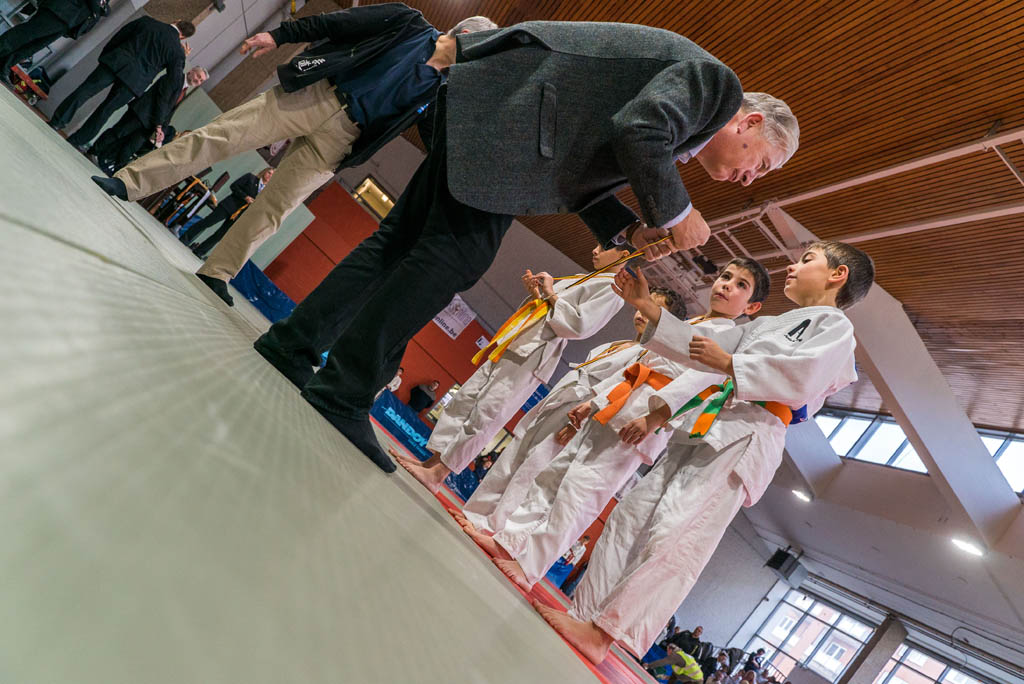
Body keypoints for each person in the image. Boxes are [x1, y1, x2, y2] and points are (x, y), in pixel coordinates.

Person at [240, 20, 798, 476]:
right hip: (510, 131)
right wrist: (676, 213)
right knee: (453, 257)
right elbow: (639, 128)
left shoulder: (684, 116)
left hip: (499, 119)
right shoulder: (715, 87)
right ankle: (344, 388)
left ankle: (293, 344)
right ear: (748, 122)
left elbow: (587, 166)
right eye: (762, 164)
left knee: (398, 242)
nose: (750, 179)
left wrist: (630, 232)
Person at [534, 241, 873, 664]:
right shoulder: (769, 323)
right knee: (630, 517)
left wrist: (730, 365)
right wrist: (648, 307)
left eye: (807, 260)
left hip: (748, 434)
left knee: (675, 535)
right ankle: (584, 613)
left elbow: (803, 379)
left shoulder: (836, 329)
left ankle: (607, 632)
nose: (792, 265)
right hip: (707, 424)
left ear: (837, 275)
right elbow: (702, 343)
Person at [92, 5, 497, 306]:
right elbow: (337, 24)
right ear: (464, 35)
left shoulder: (440, 89)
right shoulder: (408, 22)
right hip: (315, 95)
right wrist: (278, 35)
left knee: (277, 207)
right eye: (479, 51)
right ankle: (128, 182)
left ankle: (218, 272)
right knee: (218, 137)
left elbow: (439, 141)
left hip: (343, 139)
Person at [481, 261, 767, 591]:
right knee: (555, 475)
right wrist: (596, 401)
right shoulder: (692, 323)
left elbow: (695, 386)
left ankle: (530, 565)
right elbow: (637, 362)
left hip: (641, 416)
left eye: (741, 285)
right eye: (726, 277)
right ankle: (509, 541)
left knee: (579, 493)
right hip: (617, 401)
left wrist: (654, 418)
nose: (727, 285)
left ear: (752, 307)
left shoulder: (729, 338)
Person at [457, 285, 684, 536]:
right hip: (565, 397)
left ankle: (494, 525)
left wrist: (580, 423)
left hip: (581, 410)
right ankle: (475, 512)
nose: (642, 311)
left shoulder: (651, 357)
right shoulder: (623, 344)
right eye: (644, 303)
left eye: (654, 309)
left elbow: (617, 393)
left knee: (532, 467)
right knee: (517, 452)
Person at [395, 244, 628, 485]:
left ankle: (440, 473)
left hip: (535, 354)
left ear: (624, 255)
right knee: (467, 399)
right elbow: (549, 310)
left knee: (487, 411)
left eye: (604, 247)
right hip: (518, 340)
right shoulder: (582, 278)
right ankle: (432, 462)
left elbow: (577, 326)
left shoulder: (612, 291)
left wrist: (550, 292)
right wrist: (537, 294)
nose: (595, 250)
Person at [50, 17, 193, 149]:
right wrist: (183, 58)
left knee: (85, 91)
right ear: (183, 37)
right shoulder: (177, 51)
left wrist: (107, 55)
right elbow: (174, 79)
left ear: (177, 21)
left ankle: (57, 121)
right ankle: (77, 140)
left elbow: (120, 36)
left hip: (116, 61)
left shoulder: (148, 21)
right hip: (135, 81)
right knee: (106, 110)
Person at [90, 66, 208, 174]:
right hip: (141, 113)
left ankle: (117, 173)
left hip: (150, 124)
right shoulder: (174, 78)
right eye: (198, 76)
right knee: (117, 133)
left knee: (132, 147)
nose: (198, 80)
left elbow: (169, 113)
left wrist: (163, 131)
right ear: (191, 71)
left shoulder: (184, 92)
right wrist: (159, 126)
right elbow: (161, 102)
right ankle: (93, 152)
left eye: (201, 80)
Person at [180, 168, 275, 259]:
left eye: (272, 175)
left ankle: (200, 251)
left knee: (220, 235)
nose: (270, 176)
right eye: (269, 173)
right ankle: (185, 238)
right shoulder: (250, 177)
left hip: (239, 215)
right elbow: (234, 186)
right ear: (264, 172)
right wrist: (245, 197)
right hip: (229, 205)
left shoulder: (266, 192)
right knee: (207, 222)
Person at [0, 0, 107, 76]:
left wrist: (100, 7)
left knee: (35, 46)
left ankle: (5, 65)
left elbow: (105, 8)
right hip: (61, 7)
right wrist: (99, 7)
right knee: (26, 34)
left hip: (72, 19)